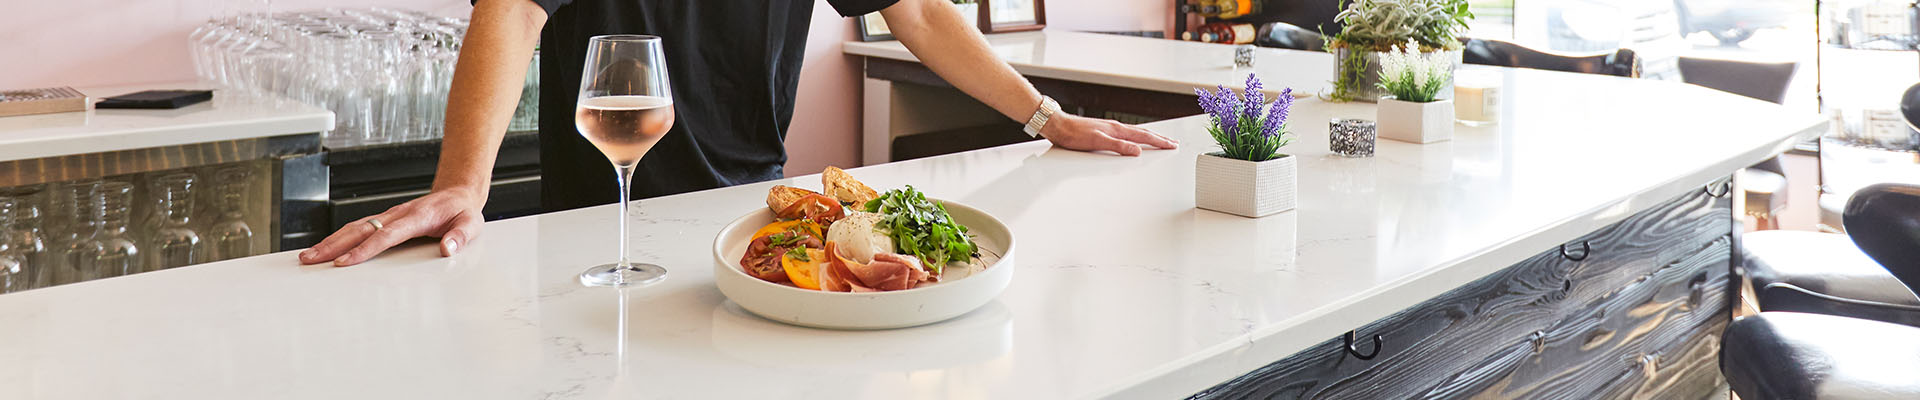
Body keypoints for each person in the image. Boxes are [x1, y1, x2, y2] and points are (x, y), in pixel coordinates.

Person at [298, 0, 1178, 267]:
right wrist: (465, 182)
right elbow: (513, 8)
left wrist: (1044, 117)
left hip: (746, 223)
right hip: (596, 229)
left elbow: (917, 11)